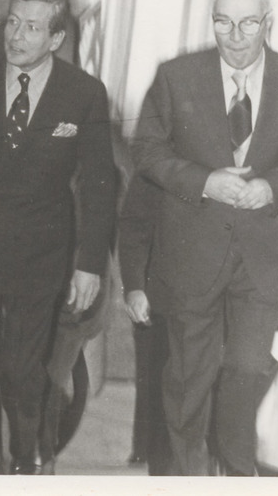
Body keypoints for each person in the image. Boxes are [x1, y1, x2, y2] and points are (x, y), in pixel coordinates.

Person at [132, 0, 278, 476]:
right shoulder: (176, 76)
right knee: (188, 382)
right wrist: (204, 182)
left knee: (246, 370)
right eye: (223, 23)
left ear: (268, 23)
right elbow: (147, 152)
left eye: (248, 24)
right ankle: (186, 477)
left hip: (262, 258)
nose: (235, 36)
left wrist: (271, 187)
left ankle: (233, 467)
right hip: (192, 253)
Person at [0, 0, 117, 475]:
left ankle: (25, 457)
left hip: (40, 254)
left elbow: (99, 184)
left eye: (32, 27)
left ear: (56, 39)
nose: (16, 35)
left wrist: (89, 265)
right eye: (12, 22)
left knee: (21, 370)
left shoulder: (84, 93)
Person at [117, 171, 171, 475]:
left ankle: (147, 448)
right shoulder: (154, 162)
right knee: (153, 378)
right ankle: (149, 451)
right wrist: (136, 286)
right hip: (155, 290)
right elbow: (134, 224)